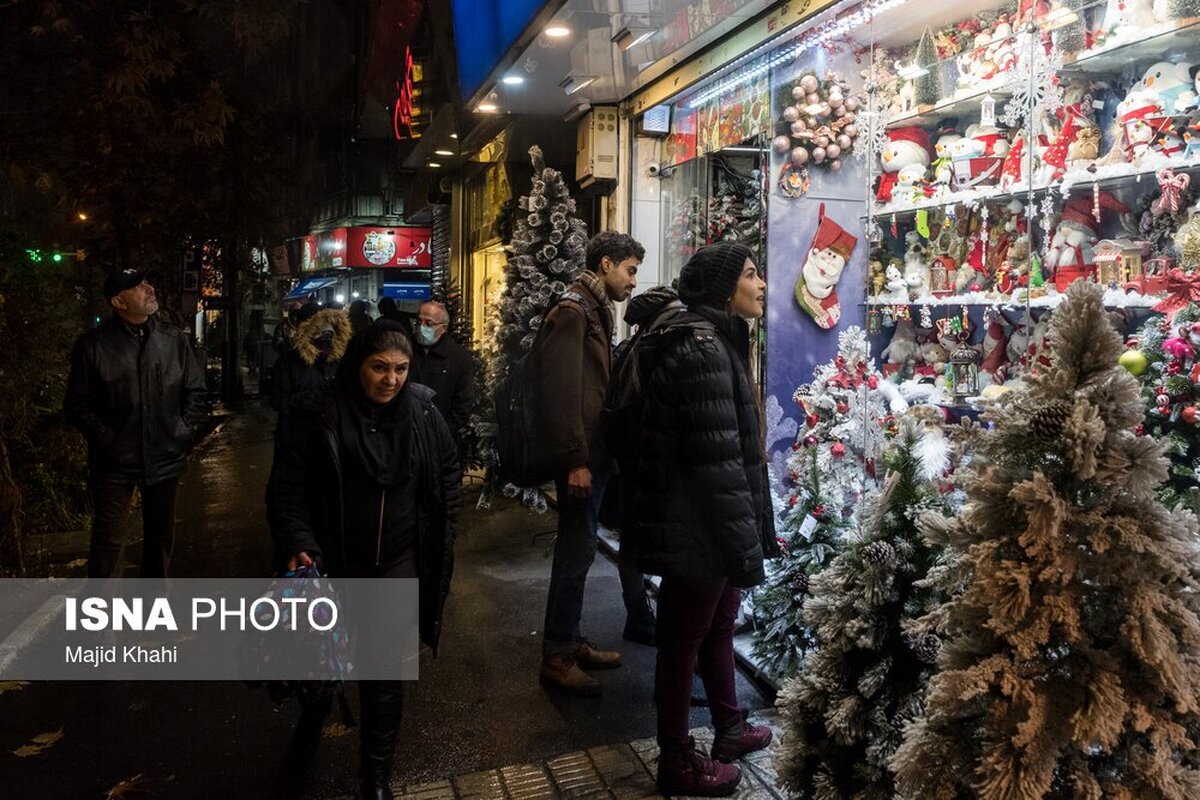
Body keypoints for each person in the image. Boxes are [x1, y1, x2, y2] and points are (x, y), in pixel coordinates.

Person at [266, 320, 460, 799]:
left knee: (384, 672)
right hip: (330, 563)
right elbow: (286, 489)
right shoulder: (315, 411)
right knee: (319, 668)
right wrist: (299, 542)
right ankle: (312, 720)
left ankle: (375, 777)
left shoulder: (422, 413)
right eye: (379, 367)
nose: (391, 380)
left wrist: (441, 536)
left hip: (396, 561)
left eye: (401, 369)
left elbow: (447, 477)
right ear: (358, 364)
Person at [633, 243, 778, 796]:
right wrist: (743, 543)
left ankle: (729, 728)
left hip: (708, 524)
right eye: (750, 275)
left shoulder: (718, 339)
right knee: (681, 641)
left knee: (715, 627)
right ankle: (676, 760)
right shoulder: (703, 349)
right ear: (724, 289)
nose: (761, 285)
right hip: (698, 527)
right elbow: (715, 466)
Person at [536, 231, 642, 697]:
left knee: (579, 551)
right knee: (574, 552)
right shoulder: (574, 311)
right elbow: (561, 394)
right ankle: (557, 656)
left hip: (594, 454)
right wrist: (575, 459)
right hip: (582, 457)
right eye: (630, 270)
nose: (633, 281)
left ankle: (570, 640)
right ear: (605, 265)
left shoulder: (594, 309)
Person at [65, 269, 206, 578]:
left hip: (165, 456)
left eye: (146, 283)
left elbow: (195, 390)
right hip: (114, 462)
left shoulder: (173, 339)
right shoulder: (94, 346)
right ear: (119, 302)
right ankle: (103, 609)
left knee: (160, 537)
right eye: (137, 287)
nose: (149, 288)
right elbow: (77, 405)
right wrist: (107, 439)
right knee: (109, 541)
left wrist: (182, 430)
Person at [600, 285, 688, 647]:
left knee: (634, 544)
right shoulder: (655, 351)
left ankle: (638, 614)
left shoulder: (631, 348)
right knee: (653, 547)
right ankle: (646, 619)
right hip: (649, 466)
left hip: (631, 465)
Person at [269, 307, 351, 433]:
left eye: (329, 332)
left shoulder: (342, 360)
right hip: (296, 436)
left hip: (333, 434)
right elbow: (276, 400)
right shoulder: (288, 361)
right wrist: (303, 399)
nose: (325, 336)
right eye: (319, 331)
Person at [409, 301, 475, 456]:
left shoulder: (458, 357)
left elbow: (463, 402)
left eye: (429, 323)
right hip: (406, 436)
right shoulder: (405, 350)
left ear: (443, 327)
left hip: (441, 440)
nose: (422, 327)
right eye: (419, 321)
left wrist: (444, 432)